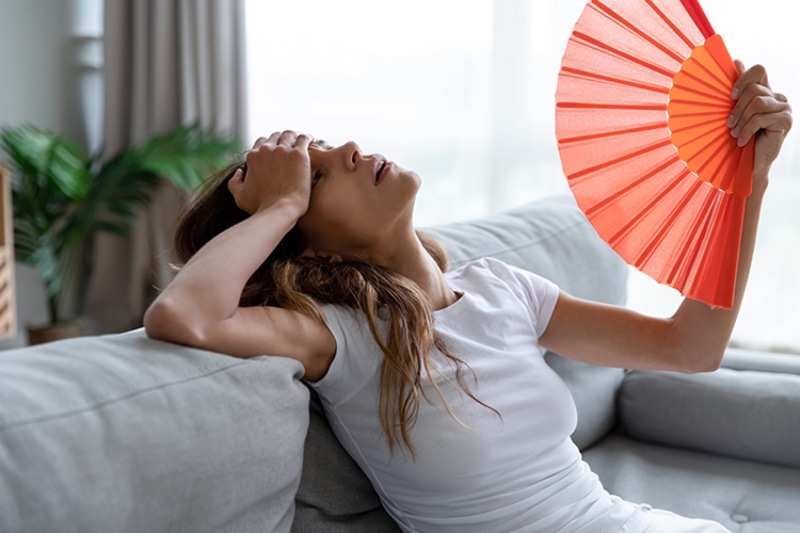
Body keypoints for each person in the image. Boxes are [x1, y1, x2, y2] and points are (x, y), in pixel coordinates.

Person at [144, 61, 791, 532]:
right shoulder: (336, 333)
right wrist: (280, 202)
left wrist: (747, 182)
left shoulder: (503, 287)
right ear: (309, 247)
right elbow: (184, 314)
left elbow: (691, 347)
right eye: (317, 173)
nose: (345, 148)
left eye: (324, 148)